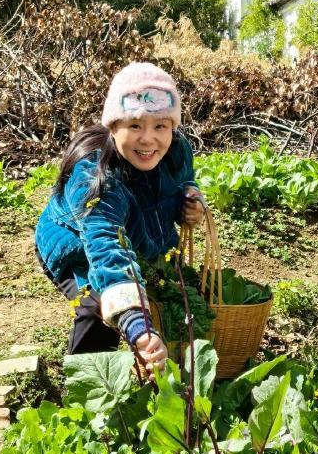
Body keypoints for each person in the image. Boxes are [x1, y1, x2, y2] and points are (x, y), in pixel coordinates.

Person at [35, 62, 206, 374]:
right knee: (96, 307)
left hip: (141, 239)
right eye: (135, 126)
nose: (148, 139)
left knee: (171, 295)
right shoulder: (96, 180)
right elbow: (107, 252)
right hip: (77, 247)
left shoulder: (177, 150)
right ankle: (90, 383)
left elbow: (183, 181)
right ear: (113, 127)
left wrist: (189, 199)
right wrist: (138, 327)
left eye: (160, 126)